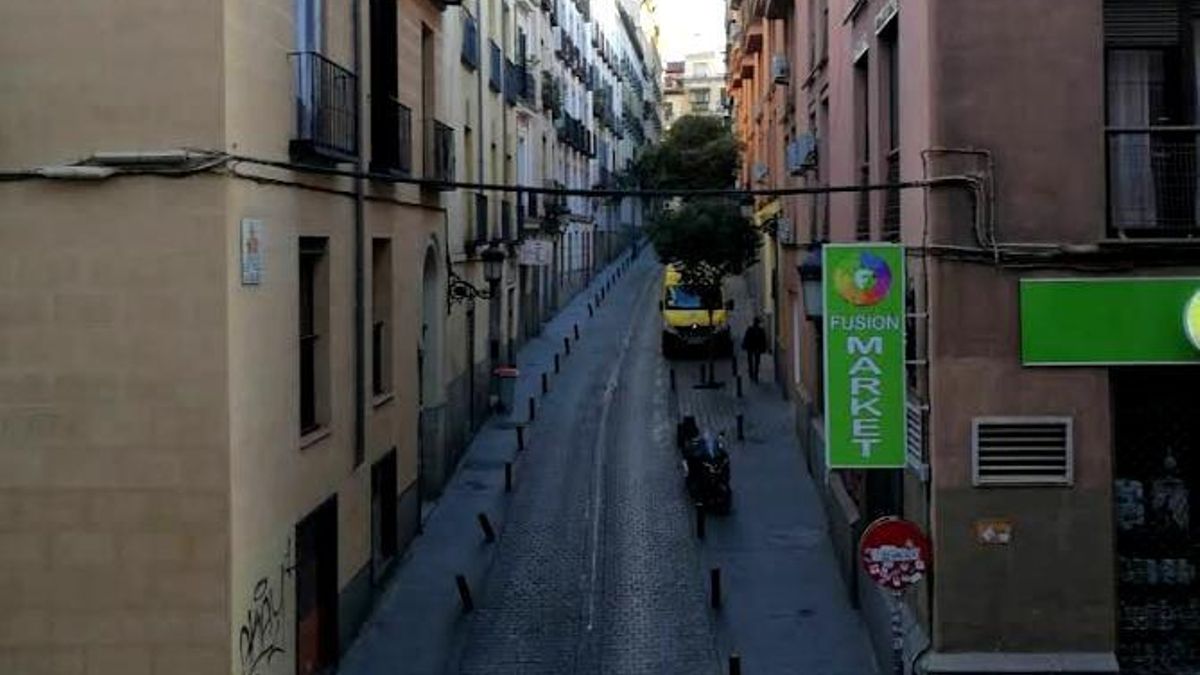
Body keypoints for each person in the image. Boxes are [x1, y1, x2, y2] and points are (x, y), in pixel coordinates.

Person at [742, 318, 768, 383]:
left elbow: (746, 339)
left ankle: (751, 375)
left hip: (750, 348)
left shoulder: (750, 329)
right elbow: (763, 341)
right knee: (756, 362)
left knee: (751, 362)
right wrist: (763, 349)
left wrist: (745, 346)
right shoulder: (760, 330)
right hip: (757, 349)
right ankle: (755, 375)